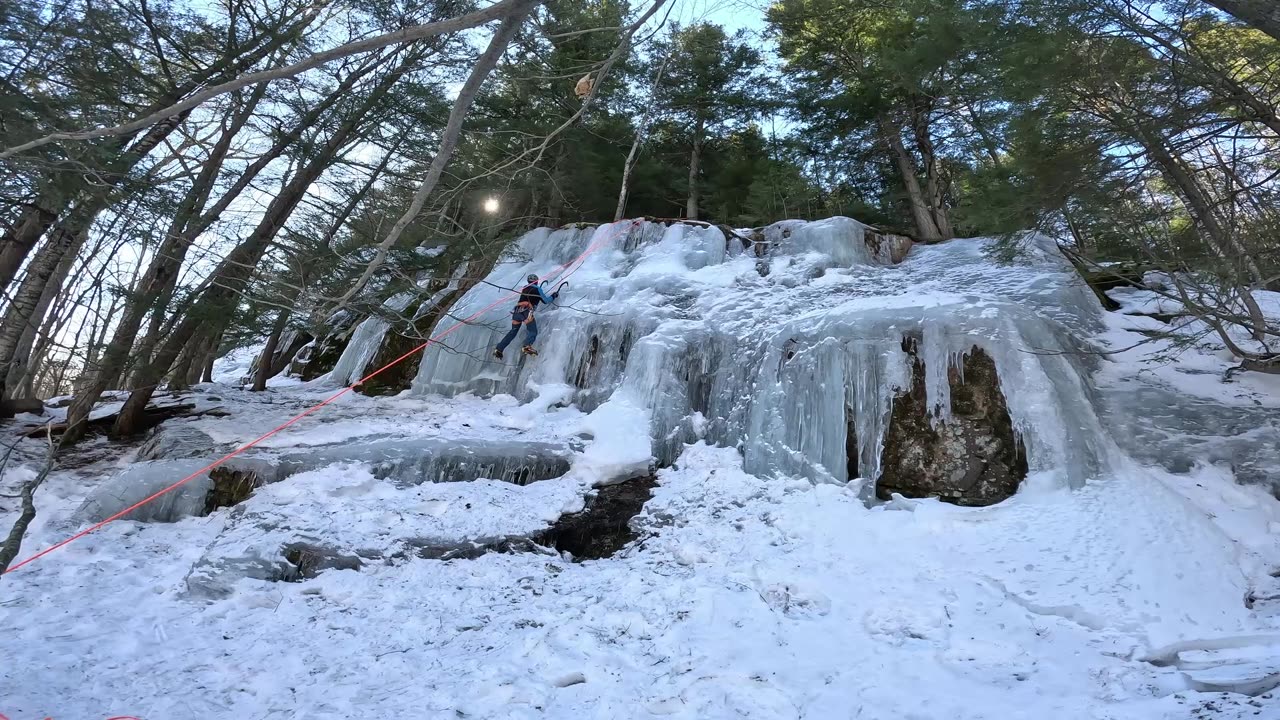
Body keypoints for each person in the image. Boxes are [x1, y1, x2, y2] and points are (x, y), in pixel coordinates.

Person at [494, 274, 558, 359]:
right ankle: (527, 346)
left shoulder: (525, 288)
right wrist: (553, 296)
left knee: (513, 332)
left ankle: (499, 349)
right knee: (532, 331)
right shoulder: (537, 289)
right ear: (537, 281)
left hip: (517, 311)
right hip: (526, 312)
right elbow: (545, 301)